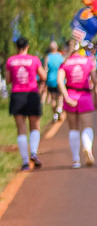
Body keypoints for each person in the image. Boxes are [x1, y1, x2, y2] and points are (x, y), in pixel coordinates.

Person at [6, 37, 47, 170]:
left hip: (17, 95)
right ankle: (34, 152)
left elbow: (7, 79)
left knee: (21, 129)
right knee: (35, 126)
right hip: (31, 94)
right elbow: (43, 76)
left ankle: (24, 162)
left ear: (17, 47)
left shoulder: (11, 61)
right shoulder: (34, 59)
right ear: (27, 46)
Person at [58, 42, 97, 168]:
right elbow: (95, 81)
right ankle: (87, 146)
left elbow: (59, 81)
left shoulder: (65, 63)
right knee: (87, 126)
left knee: (73, 128)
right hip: (84, 97)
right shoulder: (87, 61)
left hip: (70, 95)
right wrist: (96, 98)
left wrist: (66, 97)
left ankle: (76, 160)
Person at [44, 42, 66, 122]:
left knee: (53, 98)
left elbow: (45, 70)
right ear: (57, 48)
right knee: (60, 97)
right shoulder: (60, 57)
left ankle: (55, 114)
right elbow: (64, 68)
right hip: (60, 80)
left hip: (50, 80)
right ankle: (59, 109)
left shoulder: (48, 57)